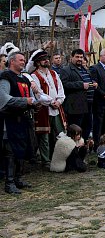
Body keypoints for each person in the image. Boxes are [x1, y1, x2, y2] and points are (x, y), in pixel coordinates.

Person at [0, 52, 36, 194]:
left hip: (23, 120)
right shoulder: (5, 77)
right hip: (9, 121)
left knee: (22, 149)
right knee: (11, 151)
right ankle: (9, 183)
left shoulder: (25, 80)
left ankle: (18, 179)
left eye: (24, 60)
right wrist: (25, 102)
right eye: (21, 60)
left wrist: (35, 104)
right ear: (12, 61)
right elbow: (4, 100)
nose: (23, 62)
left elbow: (30, 98)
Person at [28, 49, 66, 169]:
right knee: (44, 136)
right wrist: (50, 101)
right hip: (44, 109)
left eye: (46, 58)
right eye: (43, 59)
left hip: (57, 108)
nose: (46, 60)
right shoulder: (34, 75)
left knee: (60, 133)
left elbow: (60, 89)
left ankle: (60, 157)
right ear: (38, 62)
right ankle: (46, 160)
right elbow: (38, 93)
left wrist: (59, 101)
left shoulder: (54, 73)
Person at [61, 49, 97, 142]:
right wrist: (80, 85)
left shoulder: (85, 69)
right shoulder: (66, 70)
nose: (79, 59)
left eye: (81, 57)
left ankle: (83, 145)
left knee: (87, 126)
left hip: (88, 103)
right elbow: (64, 84)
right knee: (76, 128)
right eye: (77, 57)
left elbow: (87, 81)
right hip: (75, 105)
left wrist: (92, 83)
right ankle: (74, 146)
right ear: (71, 57)